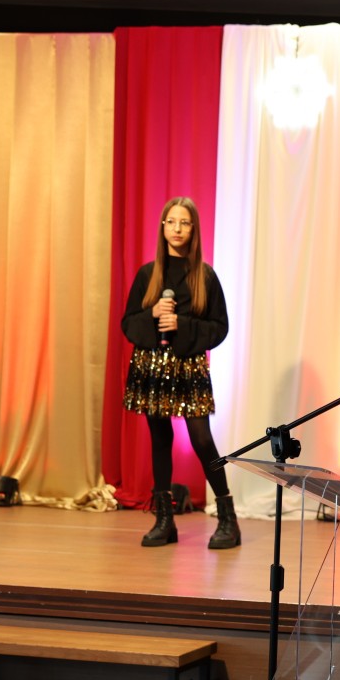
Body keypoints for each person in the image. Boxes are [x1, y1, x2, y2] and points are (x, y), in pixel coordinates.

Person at [121, 197, 240, 550]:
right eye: (171, 222)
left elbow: (219, 327)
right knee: (160, 440)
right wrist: (153, 314)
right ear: (163, 227)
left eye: (184, 223)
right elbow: (128, 323)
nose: (177, 229)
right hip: (152, 366)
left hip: (189, 367)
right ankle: (164, 520)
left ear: (193, 230)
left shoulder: (205, 276)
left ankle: (228, 518)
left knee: (202, 440)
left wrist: (182, 325)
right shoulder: (148, 274)